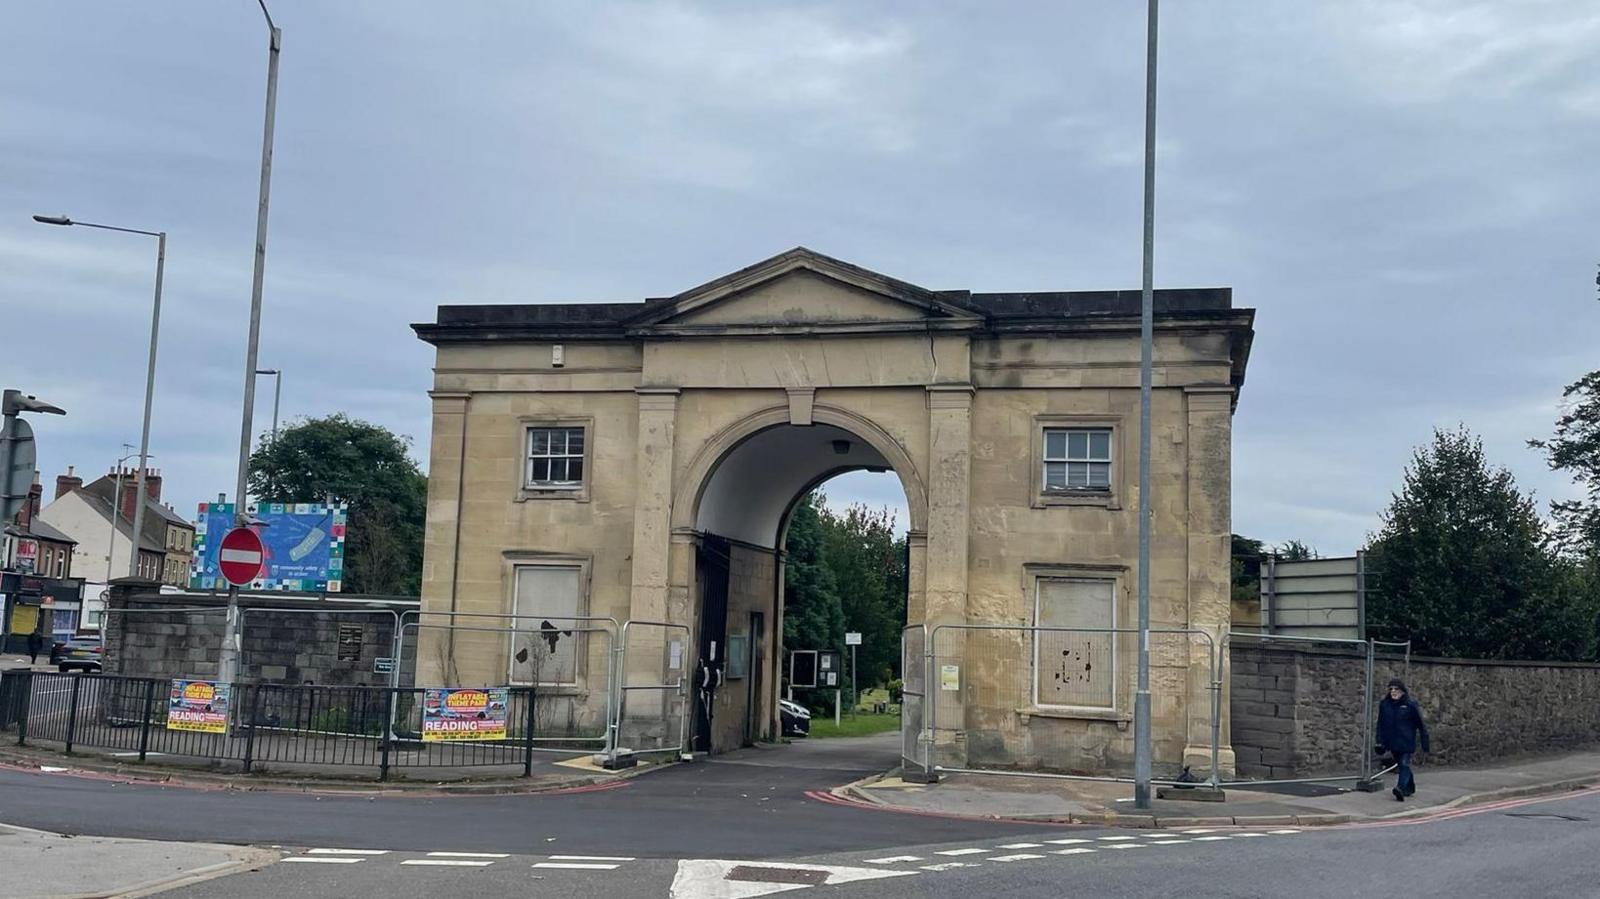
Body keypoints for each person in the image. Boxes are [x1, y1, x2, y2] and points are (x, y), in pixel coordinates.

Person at [1376, 678, 1430, 801]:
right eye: (1391, 689)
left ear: (1402, 691)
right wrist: (1379, 741)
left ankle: (1400, 788)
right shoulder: (1384, 705)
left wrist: (1425, 743)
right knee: (1401, 765)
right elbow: (1380, 724)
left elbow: (1421, 725)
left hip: (1407, 741)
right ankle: (1409, 787)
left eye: (1396, 689)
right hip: (1392, 741)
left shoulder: (1410, 705)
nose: (1393, 691)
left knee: (1404, 764)